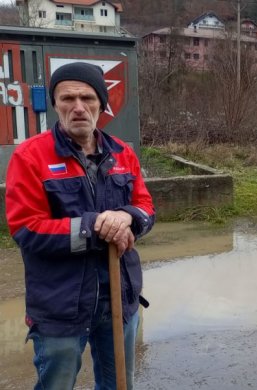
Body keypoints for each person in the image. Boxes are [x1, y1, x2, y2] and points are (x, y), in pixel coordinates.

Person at [5, 62, 155, 389]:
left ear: (101, 105)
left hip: (119, 300)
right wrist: (97, 227)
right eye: (67, 98)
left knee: (118, 384)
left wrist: (128, 216)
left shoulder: (123, 154)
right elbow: (27, 229)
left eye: (87, 98)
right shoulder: (30, 157)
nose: (78, 107)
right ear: (55, 104)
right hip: (61, 306)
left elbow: (146, 207)